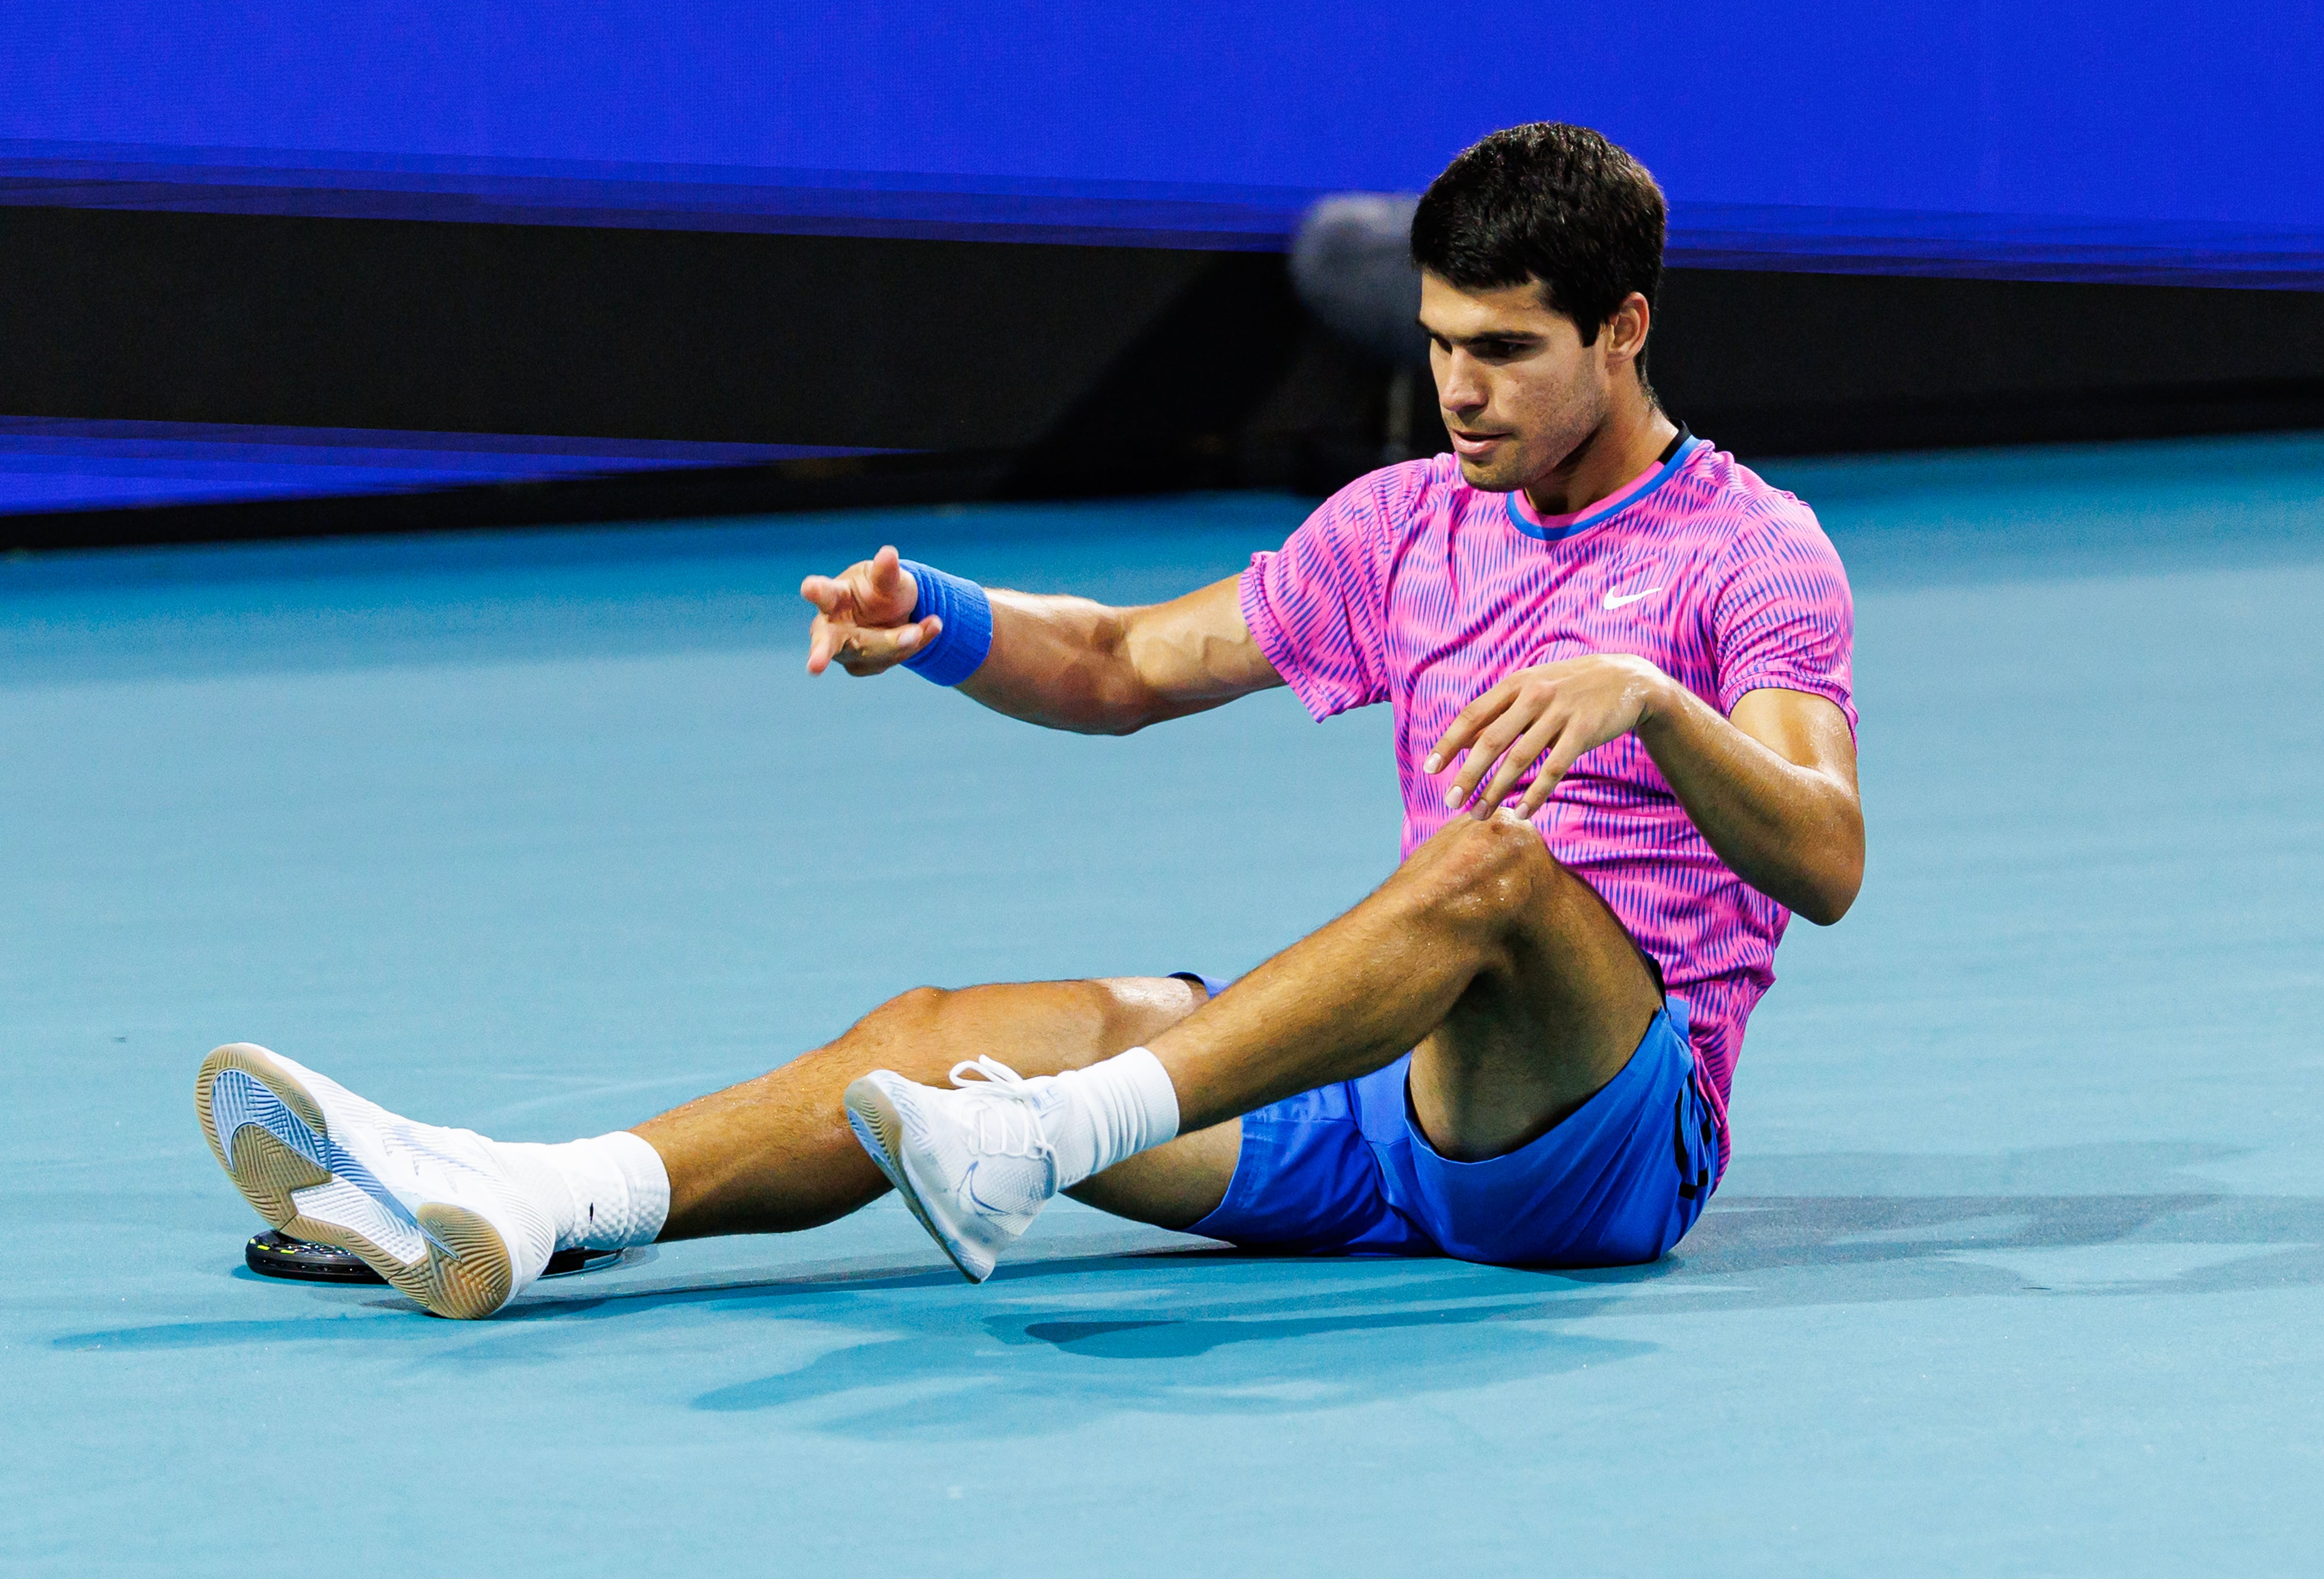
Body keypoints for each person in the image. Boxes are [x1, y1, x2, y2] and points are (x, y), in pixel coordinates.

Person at [192, 123, 1862, 1320]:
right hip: (1390, 1111)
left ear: (1626, 329)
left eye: (1505, 352)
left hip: (1603, 1147)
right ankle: (530, 1199)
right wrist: (951, 627)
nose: (1463, 394)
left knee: (1493, 871)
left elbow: (1829, 855)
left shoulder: (1751, 549)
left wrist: (1648, 705)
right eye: (1439, 348)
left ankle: (1038, 1147)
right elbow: (1128, 667)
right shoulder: (1409, 520)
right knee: (930, 1031)